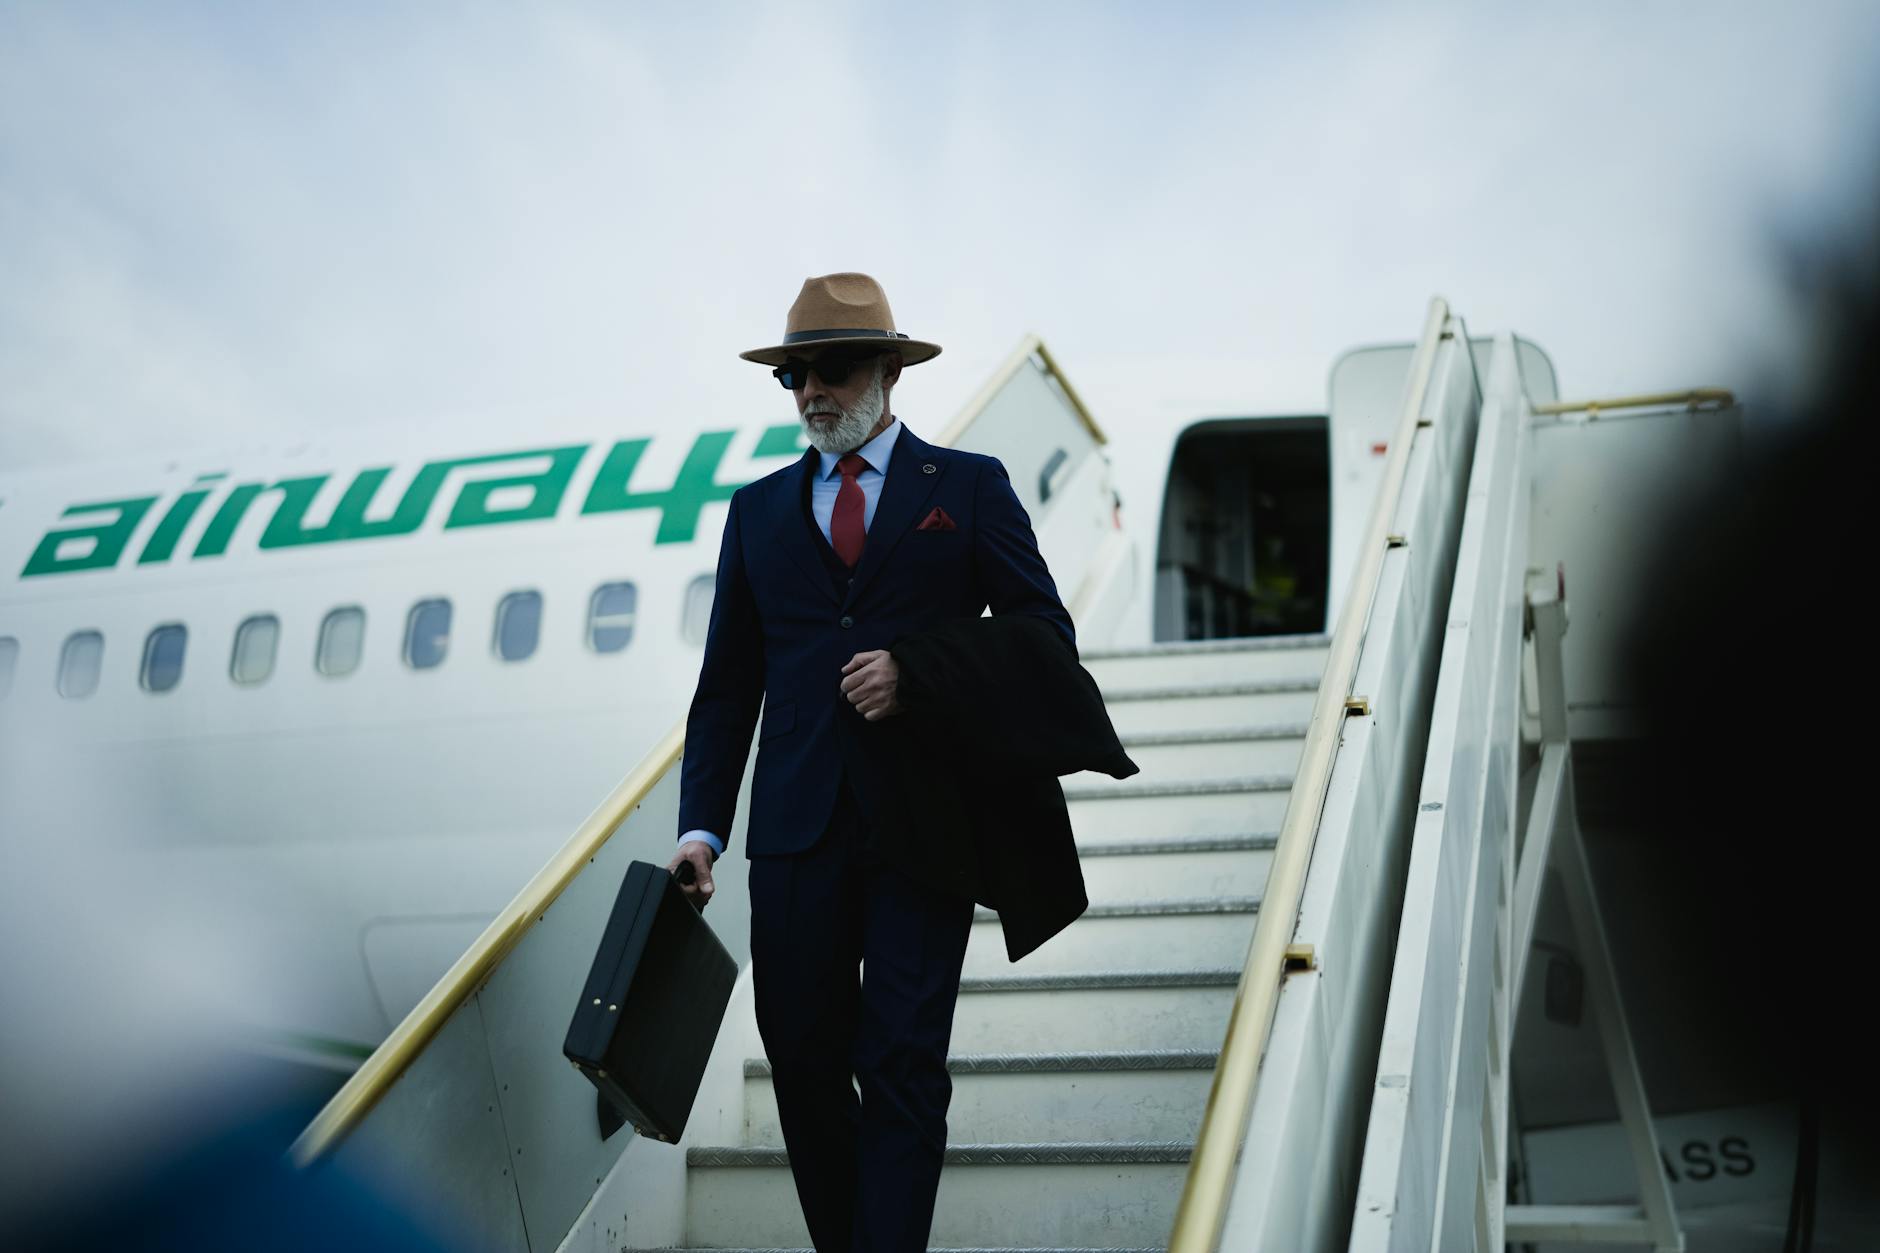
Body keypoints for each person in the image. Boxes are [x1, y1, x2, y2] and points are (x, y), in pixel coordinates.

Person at [664, 271, 1075, 1252]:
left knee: (898, 1060)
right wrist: (699, 825)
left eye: (833, 368)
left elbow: (1041, 632)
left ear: (889, 371)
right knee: (802, 1058)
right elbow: (726, 687)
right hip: (796, 831)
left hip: (924, 823)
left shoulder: (966, 489)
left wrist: (917, 672)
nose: (811, 390)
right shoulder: (756, 512)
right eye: (793, 374)